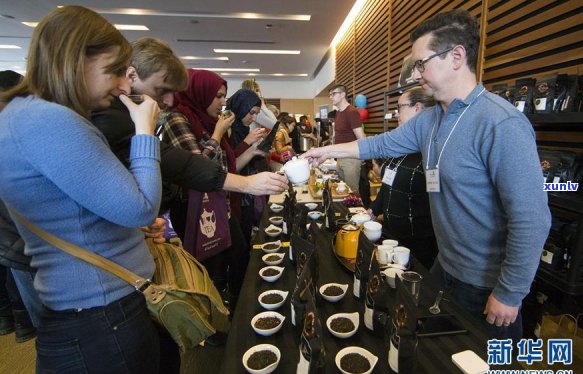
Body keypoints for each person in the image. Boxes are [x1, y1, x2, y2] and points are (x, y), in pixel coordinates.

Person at [303, 9, 551, 341]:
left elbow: (532, 218)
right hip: (443, 268)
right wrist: (325, 151)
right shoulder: (429, 119)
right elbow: (378, 144)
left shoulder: (500, 123)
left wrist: (510, 291)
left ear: (456, 57)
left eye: (422, 64)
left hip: (486, 283)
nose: (417, 75)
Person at [0, 5, 163, 372]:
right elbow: (141, 206)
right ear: (76, 61)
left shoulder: (23, 116)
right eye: (113, 71)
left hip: (87, 312)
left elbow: (70, 209)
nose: (124, 85)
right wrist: (144, 131)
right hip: (102, 315)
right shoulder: (51, 122)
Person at [91, 38, 287, 215]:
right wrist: (245, 183)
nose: (168, 101)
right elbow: (180, 166)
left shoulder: (124, 114)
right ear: (131, 75)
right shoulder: (113, 117)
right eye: (160, 91)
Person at [161, 69, 255, 308]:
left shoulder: (207, 120)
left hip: (219, 202)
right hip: (194, 208)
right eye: (219, 96)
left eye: (224, 96)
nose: (223, 102)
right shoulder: (178, 120)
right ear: (200, 93)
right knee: (209, 267)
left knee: (238, 254)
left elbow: (225, 164)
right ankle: (213, 323)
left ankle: (233, 310)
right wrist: (218, 133)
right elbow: (196, 168)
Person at [368, 87, 438, 269]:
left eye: (400, 107)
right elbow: (387, 185)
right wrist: (373, 212)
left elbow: (437, 199)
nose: (396, 113)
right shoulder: (400, 146)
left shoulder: (432, 152)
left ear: (418, 109)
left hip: (418, 243)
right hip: (392, 235)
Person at [329, 84, 365, 193]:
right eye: (330, 95)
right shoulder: (339, 112)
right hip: (340, 157)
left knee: (352, 192)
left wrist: (364, 155)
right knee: (342, 191)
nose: (331, 97)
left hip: (351, 158)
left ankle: (356, 210)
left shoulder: (351, 112)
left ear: (343, 94)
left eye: (333, 94)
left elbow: (361, 137)